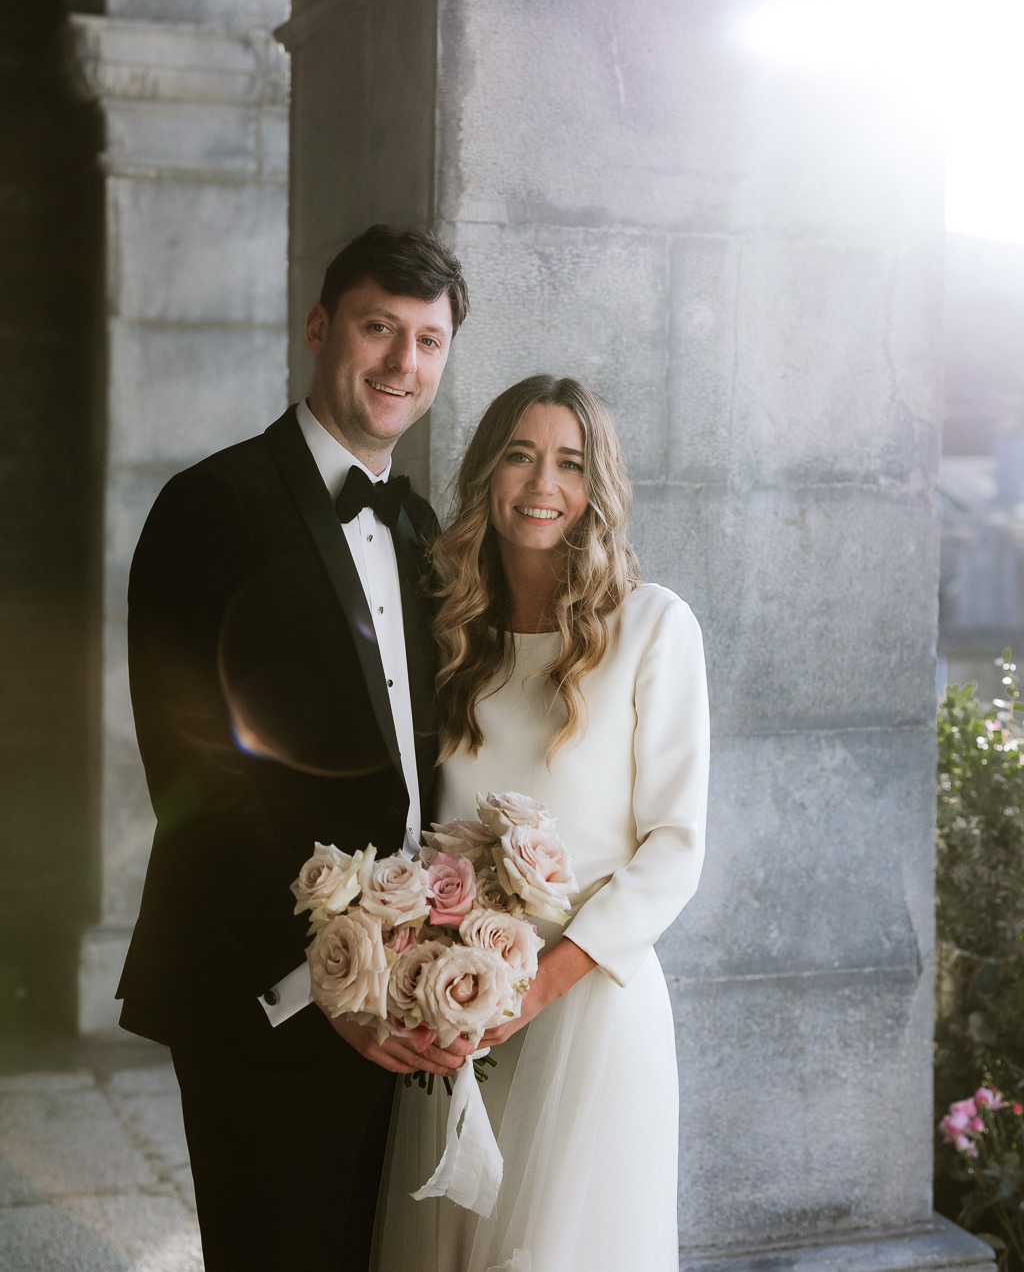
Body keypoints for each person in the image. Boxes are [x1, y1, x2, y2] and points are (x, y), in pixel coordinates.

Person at [117, 225, 476, 1271]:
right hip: (261, 995)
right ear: (320, 328)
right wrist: (323, 977)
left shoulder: (421, 530)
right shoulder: (209, 506)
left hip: (405, 1002)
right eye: (378, 328)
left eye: (428, 340)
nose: (402, 362)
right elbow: (193, 773)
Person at [373, 374, 710, 1272]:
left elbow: (675, 849)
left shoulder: (652, 626)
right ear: (488, 471)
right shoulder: (451, 632)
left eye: (568, 462)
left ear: (597, 486)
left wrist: (536, 989)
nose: (541, 484)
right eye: (520, 456)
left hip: (588, 1012)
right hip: (462, 1010)